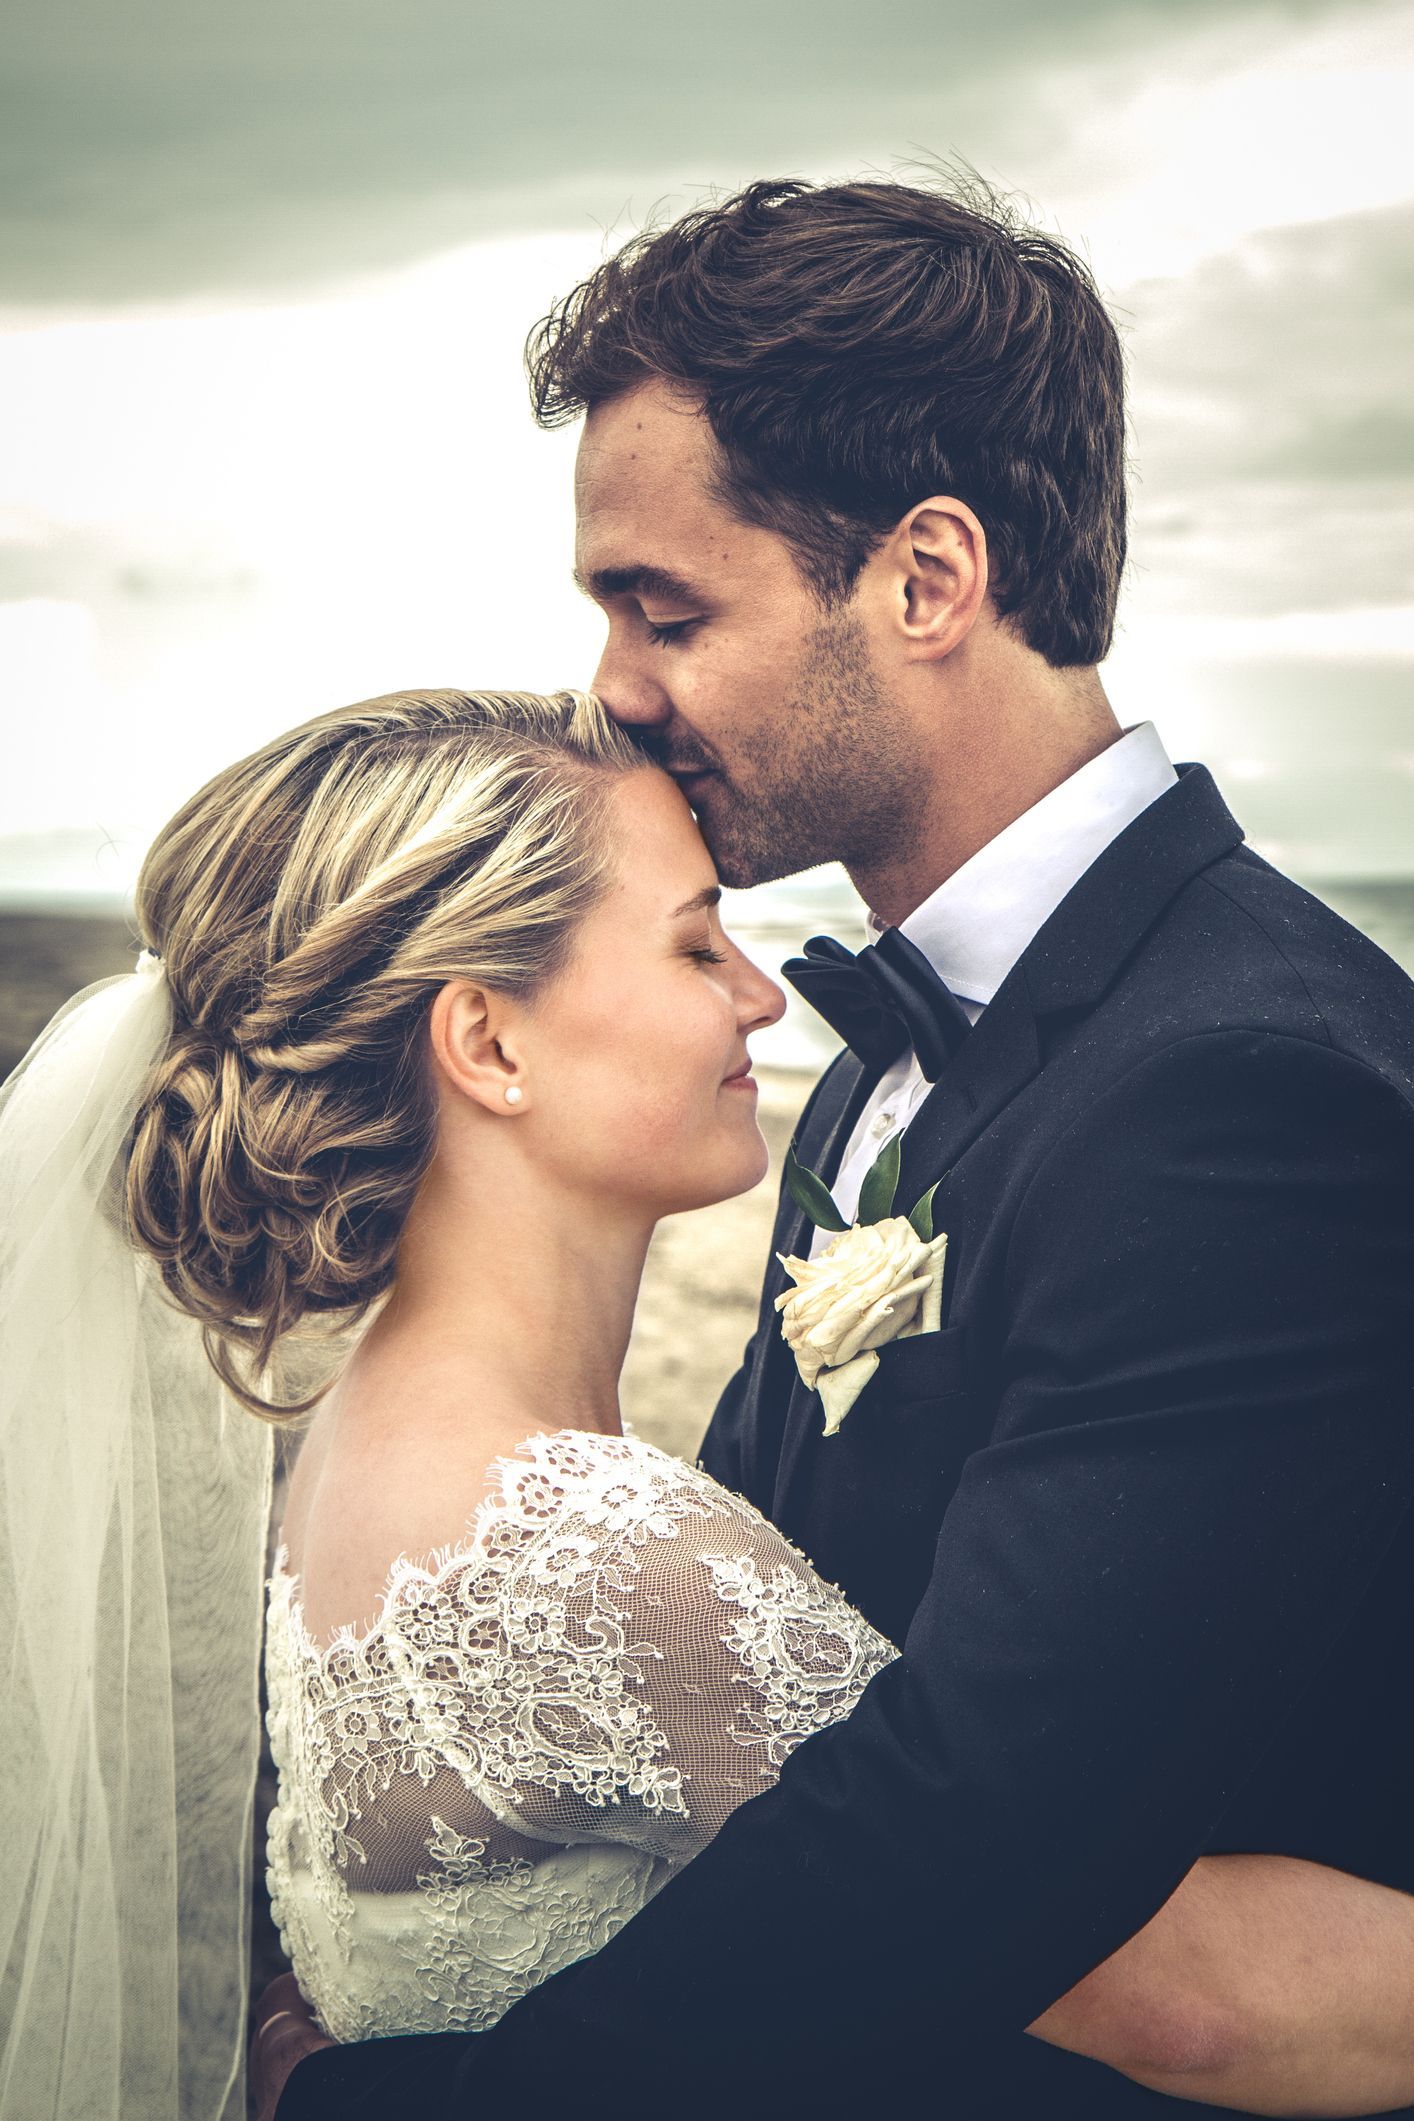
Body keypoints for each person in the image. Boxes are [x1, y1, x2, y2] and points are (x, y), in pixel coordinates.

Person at [266, 181, 1414, 2118]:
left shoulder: (1235, 1090)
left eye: (665, 606)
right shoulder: (878, 1066)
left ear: (925, 578)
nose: (611, 688)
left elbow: (973, 1850)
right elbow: (770, 1649)